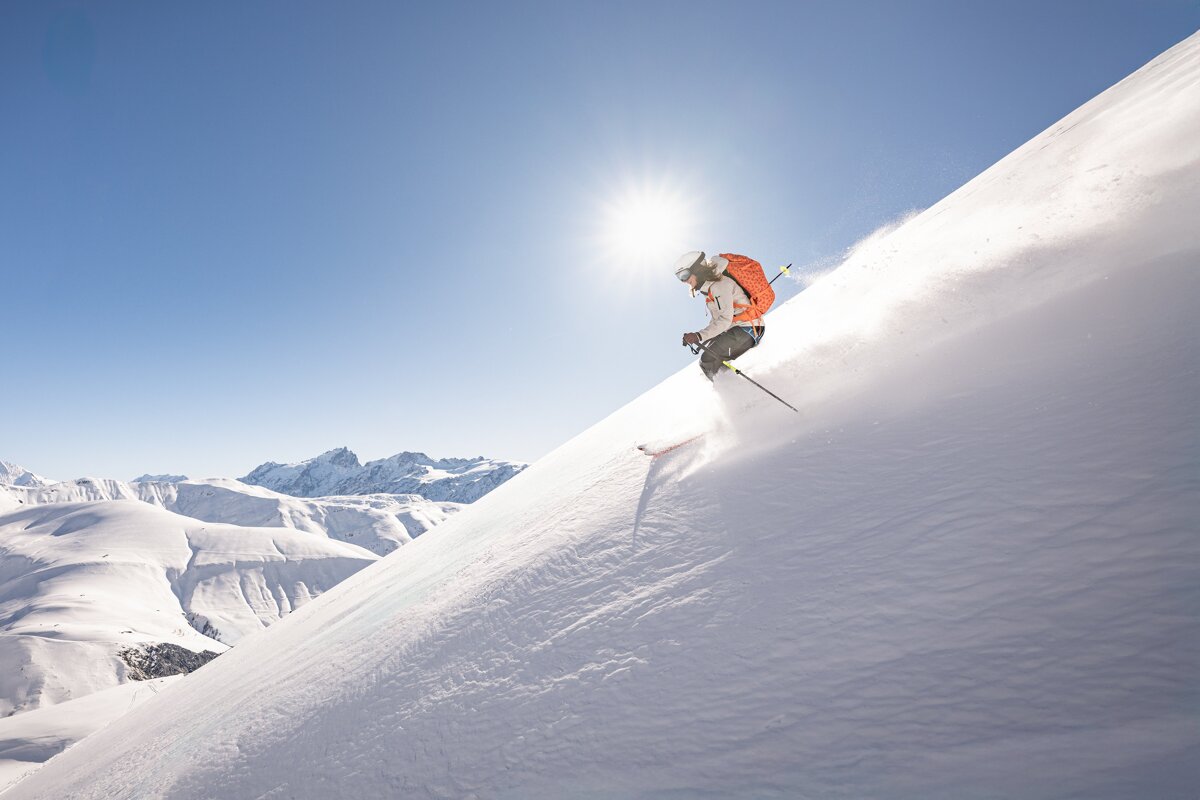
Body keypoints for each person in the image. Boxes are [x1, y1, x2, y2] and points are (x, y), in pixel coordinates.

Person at [674, 251, 767, 381]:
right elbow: (718, 320)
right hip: (740, 329)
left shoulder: (719, 286)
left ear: (697, 269)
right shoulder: (711, 288)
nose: (684, 281)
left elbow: (724, 320)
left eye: (684, 275)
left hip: (748, 329)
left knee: (709, 360)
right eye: (679, 277)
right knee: (711, 361)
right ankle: (739, 390)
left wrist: (699, 335)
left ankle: (736, 393)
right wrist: (699, 336)